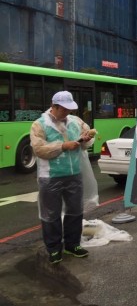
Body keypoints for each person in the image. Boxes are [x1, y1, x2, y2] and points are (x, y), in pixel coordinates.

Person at [30, 91, 95, 264]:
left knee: (75, 211)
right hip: (50, 176)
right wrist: (63, 146)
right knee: (51, 214)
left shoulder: (76, 122)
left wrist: (86, 139)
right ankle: (53, 248)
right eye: (64, 109)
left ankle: (72, 244)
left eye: (70, 109)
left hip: (74, 173)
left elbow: (86, 143)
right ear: (54, 106)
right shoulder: (39, 125)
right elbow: (39, 149)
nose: (67, 113)